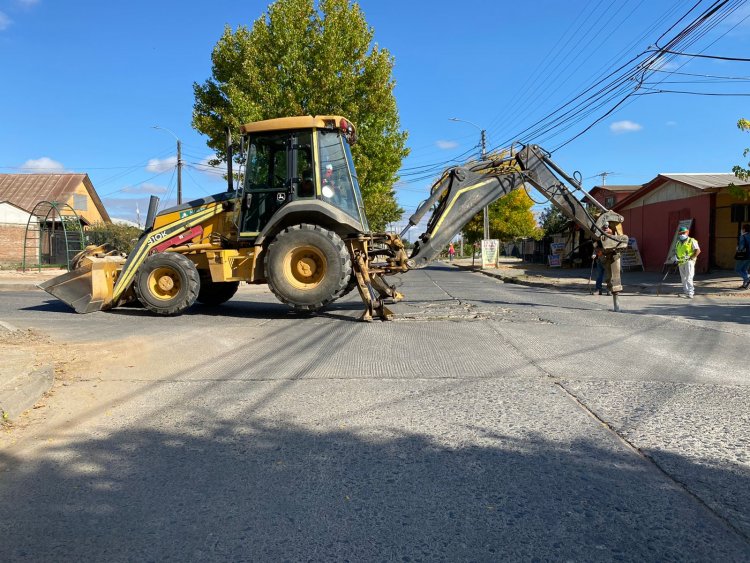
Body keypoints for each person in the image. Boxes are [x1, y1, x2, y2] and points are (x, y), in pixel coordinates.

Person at [673, 226, 700, 299]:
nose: (682, 234)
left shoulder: (692, 240)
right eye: (680, 233)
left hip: (689, 262)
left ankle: (690, 293)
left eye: (683, 233)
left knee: (689, 277)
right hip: (680, 262)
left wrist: (691, 258)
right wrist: (676, 257)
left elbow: (697, 250)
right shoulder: (678, 242)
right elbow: (676, 251)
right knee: (683, 278)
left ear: (687, 232)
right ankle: (686, 292)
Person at [591, 224, 613, 295]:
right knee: (599, 275)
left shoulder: (610, 234)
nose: (605, 229)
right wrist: (594, 253)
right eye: (604, 228)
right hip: (600, 258)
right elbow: (595, 246)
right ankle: (598, 290)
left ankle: (609, 289)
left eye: (606, 228)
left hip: (608, 258)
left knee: (609, 275)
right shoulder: (597, 237)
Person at [735, 223, 750, 290]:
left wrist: (738, 248)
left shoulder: (743, 236)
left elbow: (741, 247)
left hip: (744, 255)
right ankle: (745, 285)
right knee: (744, 269)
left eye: (742, 228)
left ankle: (747, 279)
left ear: (744, 229)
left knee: (738, 269)